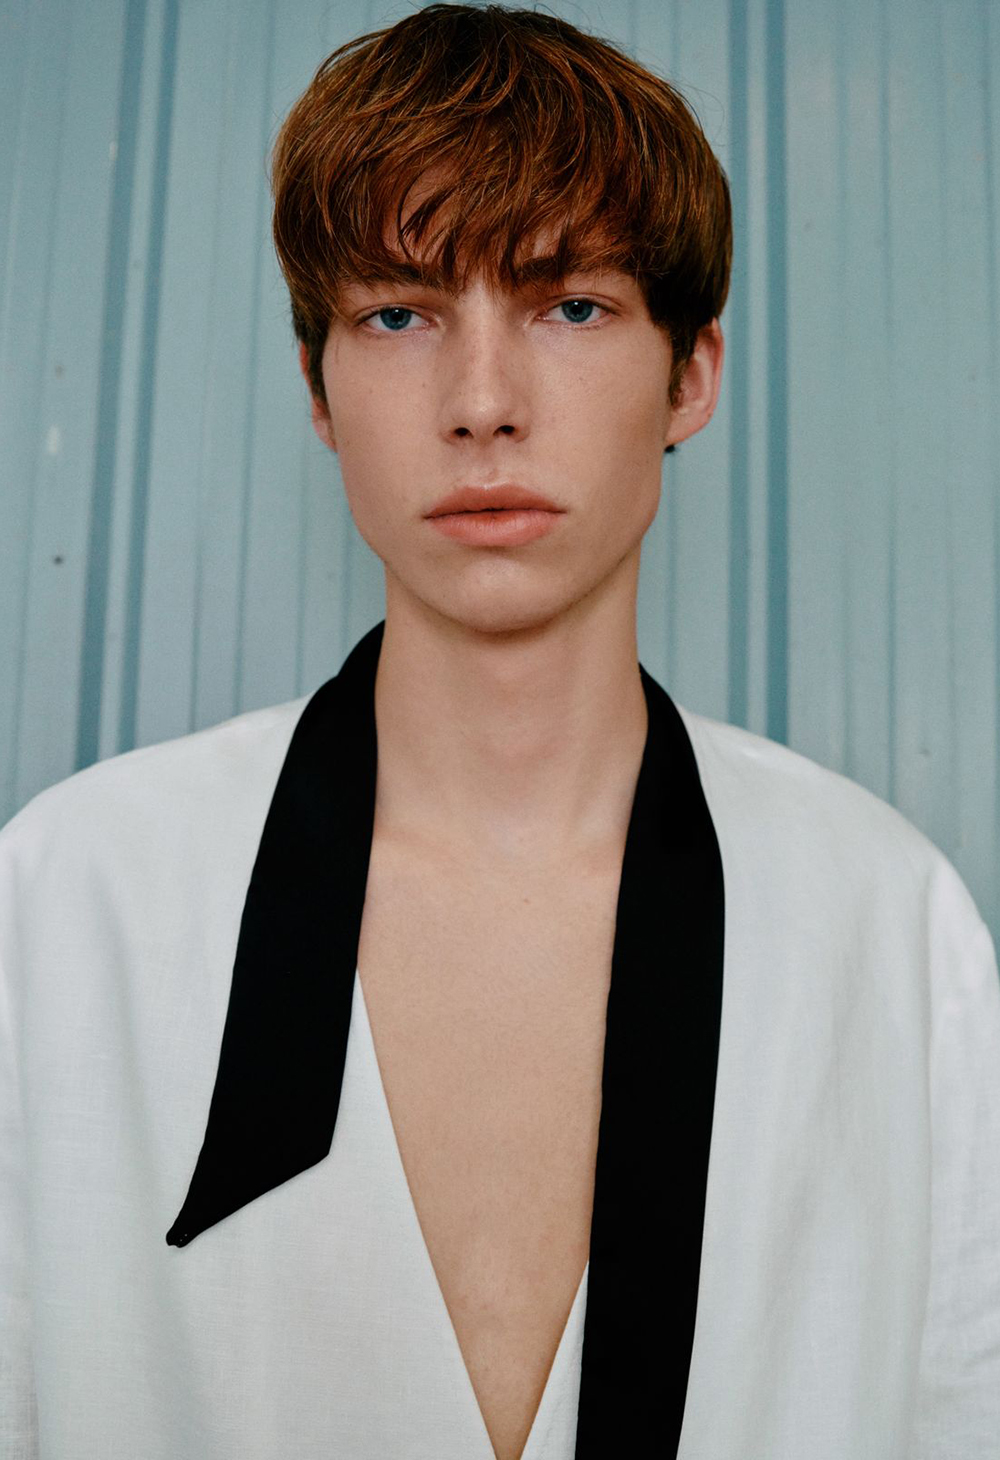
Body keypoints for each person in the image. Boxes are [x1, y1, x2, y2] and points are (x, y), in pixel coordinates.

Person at [2, 4, 998, 1458]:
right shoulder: (68, 898)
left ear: (691, 375)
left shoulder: (889, 923)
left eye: (571, 306)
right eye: (398, 315)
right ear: (317, 388)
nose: (481, 405)